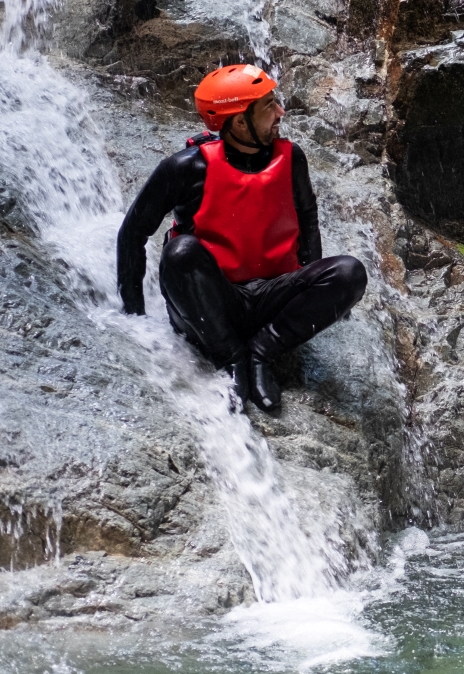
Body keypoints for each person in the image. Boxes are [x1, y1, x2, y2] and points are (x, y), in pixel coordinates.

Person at [116, 64, 368, 413]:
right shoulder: (185, 168)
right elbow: (132, 234)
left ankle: (262, 352)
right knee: (179, 252)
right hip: (211, 305)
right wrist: (134, 320)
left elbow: (307, 220)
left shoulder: (291, 158)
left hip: (273, 300)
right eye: (268, 106)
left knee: (349, 272)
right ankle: (231, 358)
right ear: (237, 121)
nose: (281, 112)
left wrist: (316, 301)